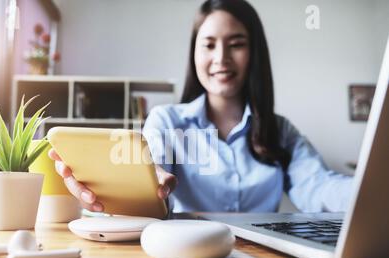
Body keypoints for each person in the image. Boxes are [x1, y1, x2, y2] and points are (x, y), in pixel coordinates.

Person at [49, 0, 352, 214]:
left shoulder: (280, 130)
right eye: (208, 44)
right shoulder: (166, 121)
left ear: (254, 52)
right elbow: (153, 167)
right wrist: (128, 186)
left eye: (236, 44)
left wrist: (369, 195)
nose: (221, 58)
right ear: (194, 54)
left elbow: (319, 186)